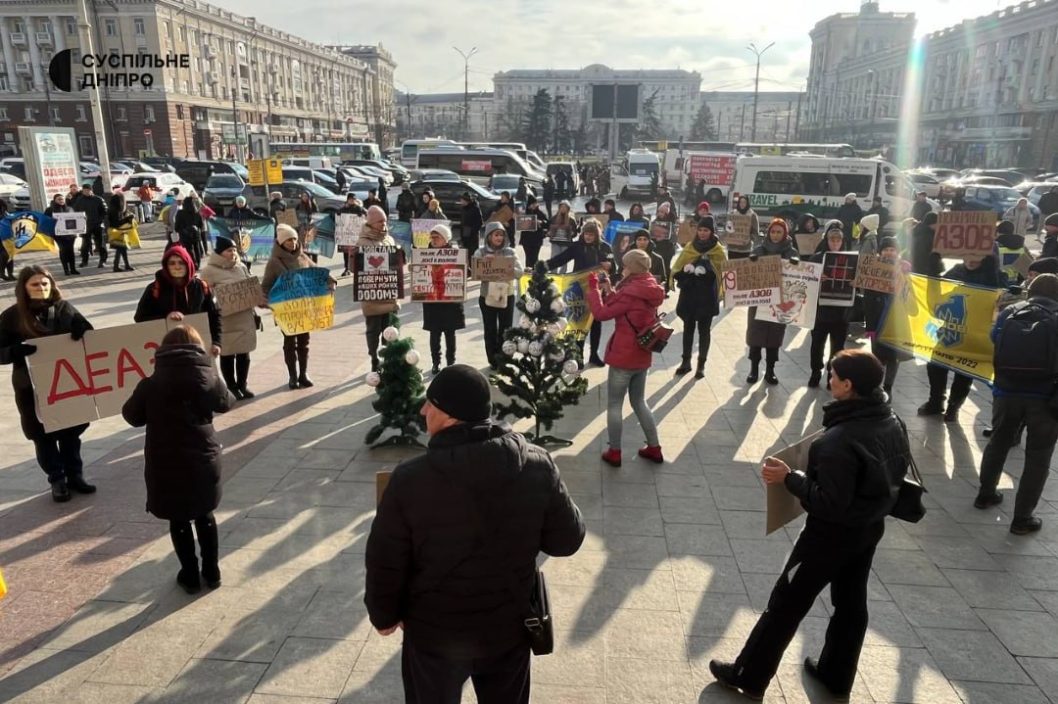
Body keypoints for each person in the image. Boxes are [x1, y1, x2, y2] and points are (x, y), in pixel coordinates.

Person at [365, 364, 585, 704]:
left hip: (434, 633)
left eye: (430, 404)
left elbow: (385, 559)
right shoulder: (537, 465)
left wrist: (384, 615)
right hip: (507, 627)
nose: (423, 410)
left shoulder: (410, 479)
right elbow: (567, 540)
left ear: (451, 415)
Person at [710, 349, 910, 701]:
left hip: (828, 537)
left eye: (833, 375)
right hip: (868, 528)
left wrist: (791, 479)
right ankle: (836, 675)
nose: (828, 379)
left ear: (848, 385)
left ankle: (748, 675)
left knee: (786, 603)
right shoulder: (891, 419)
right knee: (851, 603)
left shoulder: (838, 441)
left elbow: (827, 502)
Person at [121, 325, 235, 594]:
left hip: (166, 461)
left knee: (179, 518)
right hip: (203, 458)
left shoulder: (151, 383)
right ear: (198, 348)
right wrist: (214, 371)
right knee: (204, 513)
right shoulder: (208, 378)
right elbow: (226, 402)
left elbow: (132, 416)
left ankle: (190, 575)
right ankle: (212, 571)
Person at [0, 265, 94, 502]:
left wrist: (82, 329)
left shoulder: (63, 308)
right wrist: (14, 351)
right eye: (35, 284)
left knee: (71, 434)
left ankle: (75, 475)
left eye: (44, 283)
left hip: (67, 384)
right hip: (30, 388)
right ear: (24, 288)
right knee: (43, 436)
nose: (41, 288)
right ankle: (57, 479)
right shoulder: (12, 316)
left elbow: (90, 336)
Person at [975, 273, 1058, 535]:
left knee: (998, 442)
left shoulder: (1011, 311)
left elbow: (993, 339)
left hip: (1006, 392)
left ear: (1029, 291)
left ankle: (985, 494)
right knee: (1038, 457)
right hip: (1045, 399)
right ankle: (1022, 519)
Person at [586, 250, 666, 467]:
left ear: (633, 268)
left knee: (614, 404)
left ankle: (615, 451)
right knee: (639, 402)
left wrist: (593, 290)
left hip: (624, 355)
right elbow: (626, 308)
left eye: (625, 265)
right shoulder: (649, 286)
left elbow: (602, 314)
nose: (622, 268)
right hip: (642, 354)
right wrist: (609, 291)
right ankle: (654, 447)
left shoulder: (630, 291)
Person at [918, 254, 1005, 421]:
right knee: (935, 365)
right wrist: (933, 265)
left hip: (974, 334)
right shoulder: (957, 271)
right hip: (951, 329)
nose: (971, 261)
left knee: (965, 371)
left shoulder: (997, 277)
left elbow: (1003, 301)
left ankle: (954, 407)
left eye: (976, 258)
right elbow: (939, 290)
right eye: (967, 257)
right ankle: (936, 401)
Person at [264, 224, 336, 386]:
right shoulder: (274, 262)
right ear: (281, 242)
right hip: (286, 310)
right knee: (290, 343)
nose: (293, 243)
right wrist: (267, 301)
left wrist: (332, 281)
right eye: (289, 240)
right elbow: (266, 286)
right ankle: (292, 376)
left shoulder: (303, 257)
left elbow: (319, 272)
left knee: (304, 342)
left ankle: (304, 374)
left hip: (304, 308)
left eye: (295, 239)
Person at [546, 218, 614, 366]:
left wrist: (611, 265)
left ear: (597, 235)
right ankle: (578, 354)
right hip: (579, 291)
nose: (588, 237)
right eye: (586, 234)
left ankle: (594, 354)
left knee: (596, 323)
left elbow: (615, 267)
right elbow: (560, 259)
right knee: (579, 322)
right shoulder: (577, 246)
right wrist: (542, 266)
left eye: (591, 234)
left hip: (598, 291)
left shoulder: (606, 248)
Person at [198, 236, 259, 400]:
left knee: (244, 354)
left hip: (244, 317)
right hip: (225, 320)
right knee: (227, 354)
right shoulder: (209, 271)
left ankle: (242, 385)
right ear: (220, 253)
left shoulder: (241, 266)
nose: (232, 253)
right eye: (228, 250)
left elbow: (251, 287)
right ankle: (231, 387)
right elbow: (204, 294)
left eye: (234, 250)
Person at [134, 244, 222, 352]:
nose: (177, 266)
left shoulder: (201, 287)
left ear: (188, 264)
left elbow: (214, 316)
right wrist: (166, 317)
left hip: (196, 347)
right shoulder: (155, 288)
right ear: (166, 266)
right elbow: (140, 318)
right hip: (167, 349)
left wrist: (216, 342)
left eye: (181, 262)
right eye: (172, 263)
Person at [746, 219, 799, 385]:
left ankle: (770, 371)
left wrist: (796, 265)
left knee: (774, 337)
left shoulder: (791, 253)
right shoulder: (759, 250)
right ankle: (754, 369)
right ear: (768, 233)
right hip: (759, 301)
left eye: (779, 232)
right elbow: (746, 272)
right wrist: (752, 261)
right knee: (756, 336)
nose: (775, 235)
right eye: (773, 232)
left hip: (780, 303)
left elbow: (799, 276)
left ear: (785, 234)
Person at [671, 215, 725, 378]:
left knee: (704, 331)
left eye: (706, 230)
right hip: (689, 295)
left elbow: (724, 273)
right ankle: (685, 361)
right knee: (688, 329)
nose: (702, 233)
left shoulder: (718, 250)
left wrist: (709, 273)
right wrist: (685, 274)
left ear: (711, 231)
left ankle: (701, 364)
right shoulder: (690, 247)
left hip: (707, 297)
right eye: (700, 230)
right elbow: (677, 268)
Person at [354, 206, 402, 373]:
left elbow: (395, 264)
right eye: (380, 221)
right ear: (371, 223)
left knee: (389, 329)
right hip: (372, 296)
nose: (384, 224)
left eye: (385, 221)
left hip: (388, 293)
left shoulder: (388, 239)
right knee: (373, 330)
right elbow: (355, 269)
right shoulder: (363, 242)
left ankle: (389, 358)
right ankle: (374, 358)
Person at [863, 237, 910, 395]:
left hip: (897, 322)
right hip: (878, 321)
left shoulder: (904, 269)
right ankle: (876, 385)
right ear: (880, 252)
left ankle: (888, 386)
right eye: (886, 250)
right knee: (877, 357)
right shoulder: (873, 269)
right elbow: (868, 300)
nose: (889, 253)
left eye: (892, 250)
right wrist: (869, 326)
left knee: (894, 357)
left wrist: (906, 273)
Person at [808, 228, 853, 388]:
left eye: (838, 240)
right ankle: (815, 372)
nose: (835, 243)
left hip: (841, 312)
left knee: (838, 347)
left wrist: (855, 284)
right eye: (832, 240)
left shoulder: (851, 260)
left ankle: (831, 375)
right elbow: (806, 281)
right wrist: (816, 278)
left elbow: (860, 282)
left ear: (842, 242)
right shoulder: (817, 258)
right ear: (826, 240)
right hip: (820, 311)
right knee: (817, 345)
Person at [475, 222, 523, 369]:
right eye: (496, 234)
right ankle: (493, 360)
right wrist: (484, 263)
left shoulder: (510, 252)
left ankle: (505, 358)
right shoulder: (481, 252)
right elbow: (475, 272)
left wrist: (506, 264)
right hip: (487, 296)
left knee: (506, 329)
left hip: (506, 296)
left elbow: (519, 273)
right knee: (490, 329)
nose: (499, 238)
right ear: (489, 236)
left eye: (501, 234)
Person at [422, 224, 465, 375]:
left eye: (437, 237)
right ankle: (436, 362)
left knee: (450, 333)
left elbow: (464, 273)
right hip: (432, 300)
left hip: (450, 300)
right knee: (434, 333)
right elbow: (419, 273)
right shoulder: (424, 254)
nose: (433, 240)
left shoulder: (455, 253)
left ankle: (451, 362)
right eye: (432, 237)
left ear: (445, 238)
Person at [74, 183, 107, 270]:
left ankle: (102, 261)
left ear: (91, 190)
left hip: (97, 224)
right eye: (84, 190)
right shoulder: (79, 200)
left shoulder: (98, 199)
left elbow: (105, 211)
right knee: (85, 244)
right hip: (85, 225)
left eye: (88, 190)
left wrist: (100, 220)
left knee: (101, 244)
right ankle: (84, 261)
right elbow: (75, 211)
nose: (86, 192)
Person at [45, 193, 80, 276]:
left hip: (70, 234)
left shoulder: (69, 208)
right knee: (63, 250)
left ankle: (73, 269)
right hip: (58, 235)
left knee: (71, 251)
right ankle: (66, 269)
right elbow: (46, 221)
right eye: (59, 199)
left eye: (62, 199)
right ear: (55, 200)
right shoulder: (50, 210)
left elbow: (75, 219)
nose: (61, 201)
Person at [338, 193, 367, 277]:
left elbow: (366, 213)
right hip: (346, 235)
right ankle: (347, 268)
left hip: (356, 235)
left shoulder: (358, 208)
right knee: (346, 252)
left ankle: (358, 268)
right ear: (347, 199)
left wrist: (361, 215)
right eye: (350, 199)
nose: (352, 200)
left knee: (357, 251)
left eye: (353, 199)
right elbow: (336, 215)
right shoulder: (343, 208)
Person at [106, 192, 135, 272]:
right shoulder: (116, 211)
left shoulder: (112, 209)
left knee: (122, 249)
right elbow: (117, 222)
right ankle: (117, 266)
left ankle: (125, 265)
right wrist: (127, 219)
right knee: (120, 248)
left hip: (114, 231)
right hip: (118, 231)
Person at [175, 196, 205, 268]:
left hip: (185, 235)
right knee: (196, 249)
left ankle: (193, 263)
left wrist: (180, 230)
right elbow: (201, 225)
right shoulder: (197, 213)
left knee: (188, 250)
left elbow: (177, 226)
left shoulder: (180, 213)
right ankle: (198, 263)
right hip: (196, 234)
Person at [547, 200, 578, 268]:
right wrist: (549, 233)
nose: (563, 209)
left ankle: (563, 274)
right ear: (559, 208)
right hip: (556, 242)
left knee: (564, 259)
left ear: (568, 209)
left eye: (565, 207)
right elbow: (548, 229)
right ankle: (553, 273)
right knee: (554, 258)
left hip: (566, 243)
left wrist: (572, 234)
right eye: (561, 207)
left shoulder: (571, 220)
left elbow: (575, 233)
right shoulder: (554, 218)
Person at [910, 212, 943, 276]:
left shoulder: (920, 231)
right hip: (926, 270)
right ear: (932, 223)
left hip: (922, 268)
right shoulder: (925, 235)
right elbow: (923, 254)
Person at [728, 195, 760, 260]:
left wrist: (749, 239)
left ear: (747, 203)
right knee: (732, 269)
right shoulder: (732, 214)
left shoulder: (752, 215)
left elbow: (755, 232)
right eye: (740, 202)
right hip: (732, 248)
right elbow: (728, 229)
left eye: (744, 202)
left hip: (745, 249)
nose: (742, 204)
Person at [520, 195, 548, 268]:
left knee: (535, 258)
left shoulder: (540, 213)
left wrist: (541, 222)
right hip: (526, 240)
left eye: (535, 203)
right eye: (532, 204)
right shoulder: (525, 213)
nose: (534, 205)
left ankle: (536, 273)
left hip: (537, 239)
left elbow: (547, 223)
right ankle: (528, 273)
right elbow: (519, 223)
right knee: (528, 258)